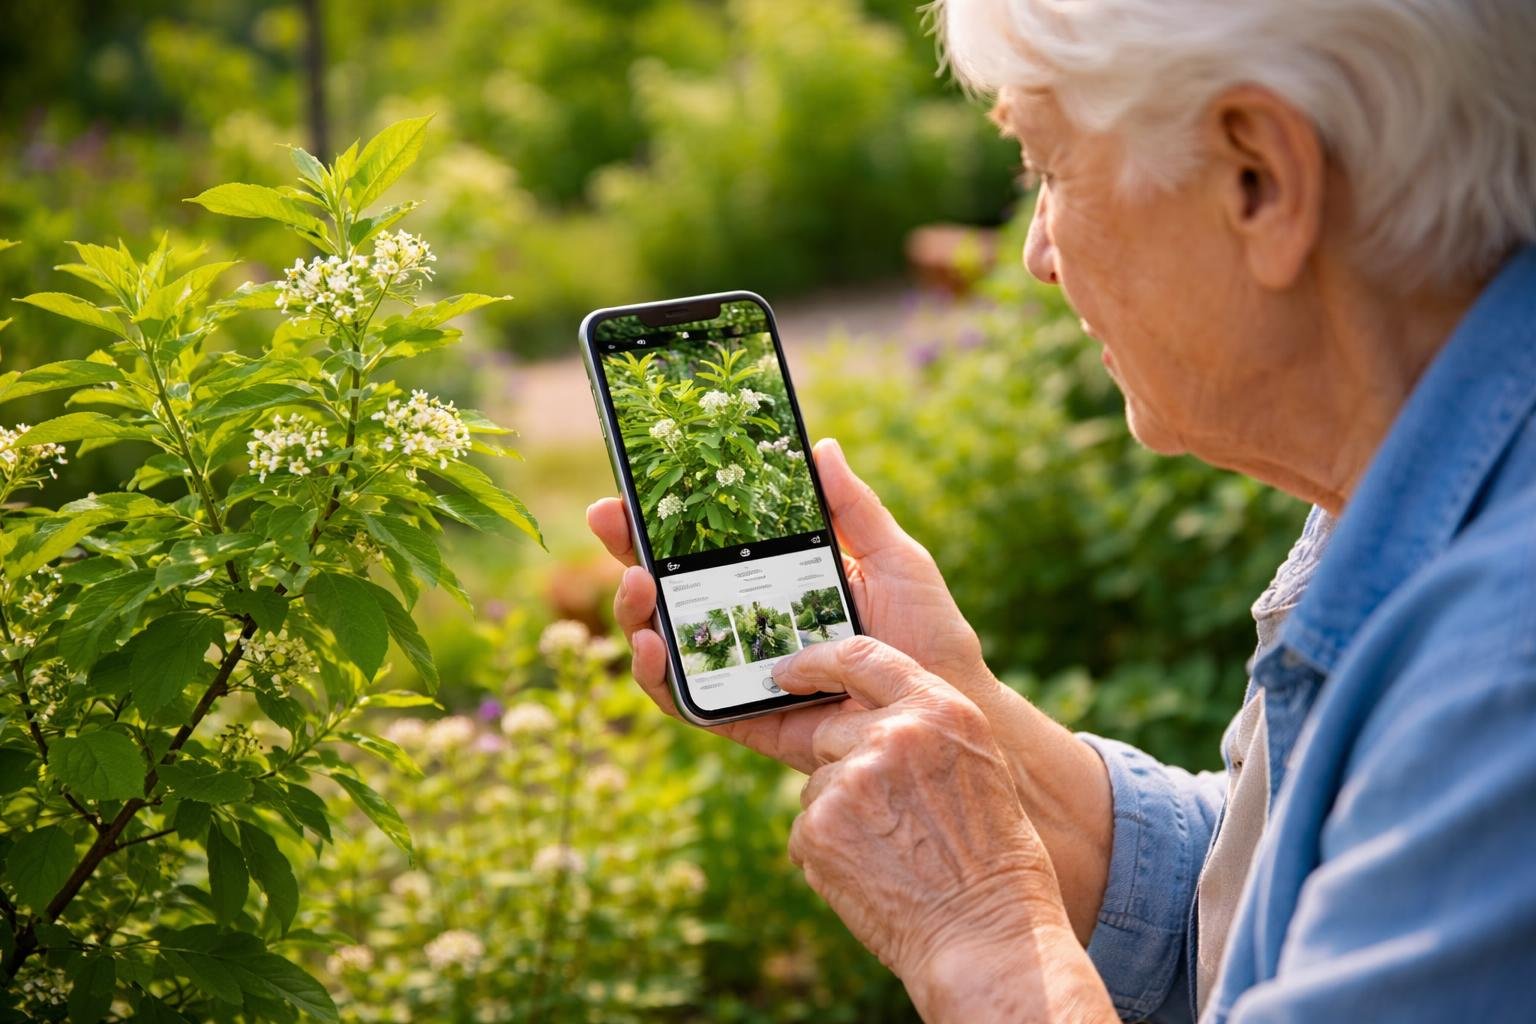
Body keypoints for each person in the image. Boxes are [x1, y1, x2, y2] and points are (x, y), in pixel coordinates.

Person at [588, 0, 1536, 1018]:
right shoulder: (1412, 486)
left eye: (1048, 166)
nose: (1038, 256)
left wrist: (985, 938)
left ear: (1259, 178)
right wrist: (964, 715)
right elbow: (1267, 914)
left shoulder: (1499, 678)